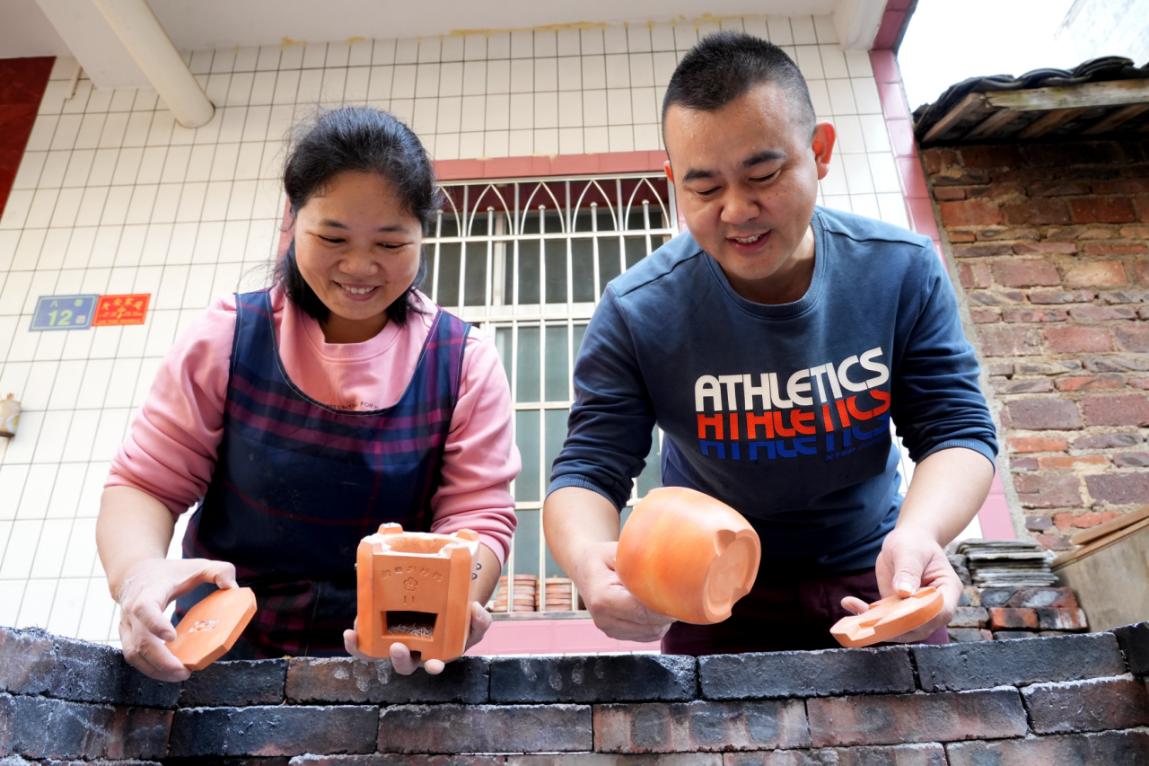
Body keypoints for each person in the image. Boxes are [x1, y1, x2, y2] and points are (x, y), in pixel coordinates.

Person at [544, 32, 998, 655]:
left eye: (763, 173)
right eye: (705, 189)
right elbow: (588, 469)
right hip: (704, 590)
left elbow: (957, 430)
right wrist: (590, 562)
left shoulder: (901, 270)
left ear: (819, 151)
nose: (737, 210)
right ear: (674, 181)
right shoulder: (637, 308)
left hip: (876, 575)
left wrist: (919, 535)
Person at [97, 107, 519, 681]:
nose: (360, 266)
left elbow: (479, 515)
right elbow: (146, 483)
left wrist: (445, 604)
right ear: (292, 220)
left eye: (391, 244)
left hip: (390, 659)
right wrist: (139, 575)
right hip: (223, 651)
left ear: (424, 233)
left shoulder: (463, 361)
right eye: (333, 236)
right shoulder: (229, 334)